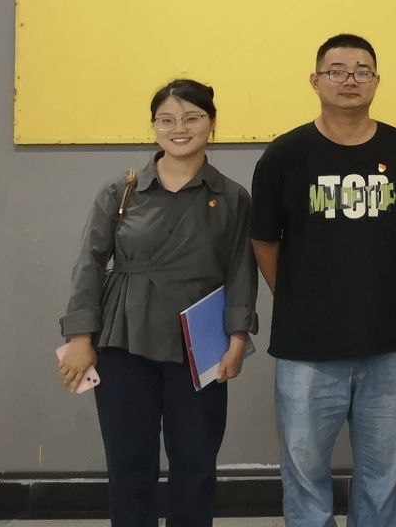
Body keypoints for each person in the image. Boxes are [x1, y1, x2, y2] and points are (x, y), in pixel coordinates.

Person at [58, 79, 258, 527]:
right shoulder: (122, 190)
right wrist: (80, 337)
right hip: (123, 339)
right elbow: (89, 263)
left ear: (212, 123)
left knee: (196, 462)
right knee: (129, 463)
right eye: (166, 120)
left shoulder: (231, 197)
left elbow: (240, 271)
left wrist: (238, 338)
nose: (178, 129)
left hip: (201, 345)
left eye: (191, 118)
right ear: (153, 127)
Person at [251, 34, 396, 527]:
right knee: (305, 475)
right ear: (315, 80)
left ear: (376, 80)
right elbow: (264, 241)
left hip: (388, 346)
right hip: (307, 349)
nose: (350, 79)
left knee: (384, 473)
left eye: (362, 71)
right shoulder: (285, 154)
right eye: (337, 70)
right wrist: (297, 298)